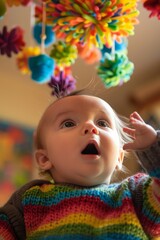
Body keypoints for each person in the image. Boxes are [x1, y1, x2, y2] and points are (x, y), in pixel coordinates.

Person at [0, 93, 160, 240]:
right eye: (69, 123)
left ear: (119, 157)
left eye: (102, 123)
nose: (91, 127)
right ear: (44, 158)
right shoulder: (30, 200)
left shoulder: (136, 195)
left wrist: (154, 147)